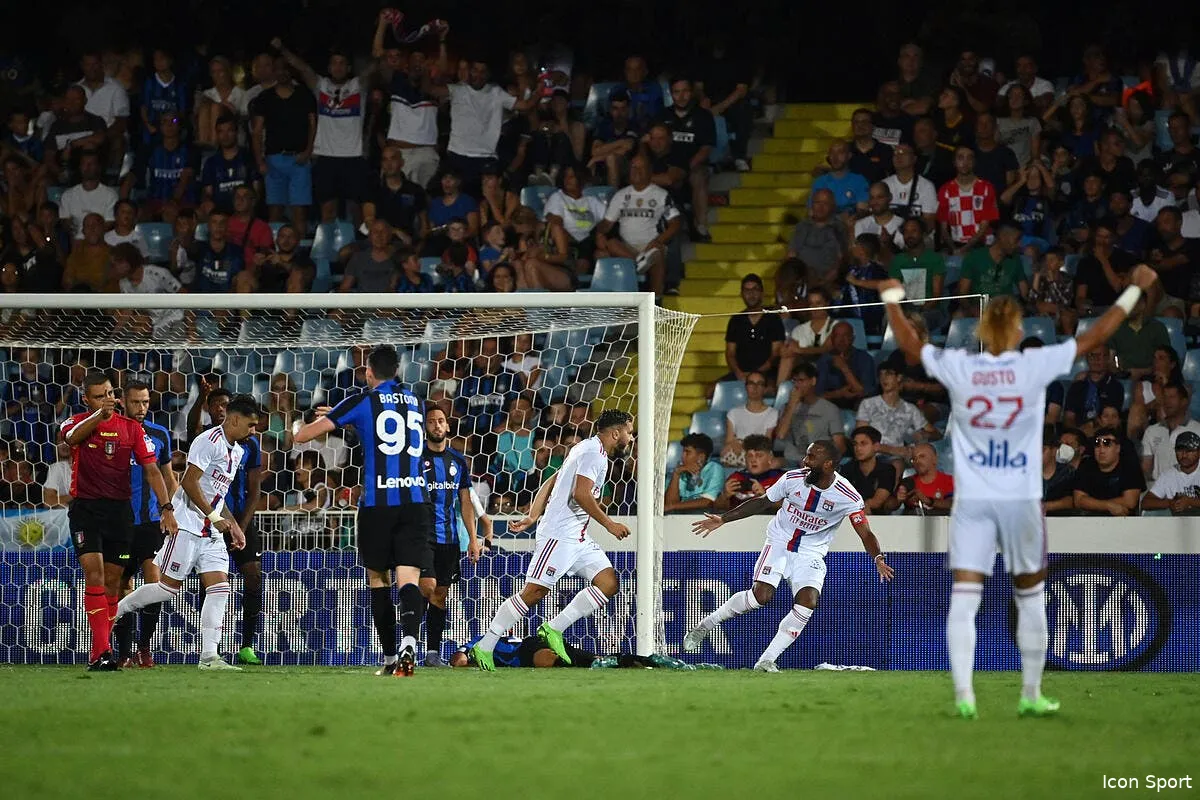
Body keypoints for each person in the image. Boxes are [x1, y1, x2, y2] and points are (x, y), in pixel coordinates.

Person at [878, 260, 1159, 718]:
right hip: (1021, 502)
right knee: (1030, 596)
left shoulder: (960, 366)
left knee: (965, 598)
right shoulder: (1034, 364)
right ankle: (1030, 693)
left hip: (973, 503)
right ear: (1019, 329)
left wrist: (892, 299)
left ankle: (965, 697)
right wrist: (1133, 289)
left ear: (984, 332)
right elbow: (1093, 338)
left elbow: (911, 345)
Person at [683, 441, 893, 671]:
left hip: (811, 552)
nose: (805, 461)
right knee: (760, 597)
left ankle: (766, 660)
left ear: (828, 464)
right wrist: (723, 519)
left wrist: (878, 557)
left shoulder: (847, 496)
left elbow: (865, 532)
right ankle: (707, 623)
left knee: (808, 601)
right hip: (780, 542)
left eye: (811, 458)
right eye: (806, 455)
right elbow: (762, 502)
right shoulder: (793, 478)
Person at [294, 345, 431, 677]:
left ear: (369, 373)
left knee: (378, 578)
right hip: (416, 501)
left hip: (378, 504)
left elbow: (302, 437)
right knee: (409, 577)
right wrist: (349, 423)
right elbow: (388, 434)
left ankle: (387, 659)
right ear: (397, 371)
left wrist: (330, 418)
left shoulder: (361, 401)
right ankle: (410, 642)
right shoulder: (416, 402)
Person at [471, 410, 635, 671]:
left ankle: (553, 628)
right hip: (559, 535)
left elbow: (554, 479)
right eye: (628, 431)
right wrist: (610, 524)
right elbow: (582, 494)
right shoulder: (593, 454)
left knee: (608, 582)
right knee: (534, 593)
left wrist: (533, 514)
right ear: (616, 433)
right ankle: (485, 645)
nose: (630, 437)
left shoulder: (587, 448)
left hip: (577, 537)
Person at [115, 395, 261, 670]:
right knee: (167, 589)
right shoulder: (208, 441)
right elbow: (189, 484)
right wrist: (215, 517)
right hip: (188, 526)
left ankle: (208, 657)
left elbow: (218, 495)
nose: (253, 432)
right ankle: (117, 611)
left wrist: (234, 526)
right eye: (251, 425)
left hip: (211, 530)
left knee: (219, 589)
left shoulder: (239, 451)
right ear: (235, 419)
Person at [61, 373, 177, 671]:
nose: (108, 399)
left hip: (120, 515)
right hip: (86, 511)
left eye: (110, 393)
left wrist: (167, 507)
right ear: (87, 400)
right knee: (95, 574)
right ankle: (100, 651)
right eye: (100, 396)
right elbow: (71, 440)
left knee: (114, 583)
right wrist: (100, 414)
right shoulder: (75, 423)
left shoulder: (131, 430)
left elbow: (153, 471)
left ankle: (107, 648)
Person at [112, 381, 176, 669]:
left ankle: (144, 647)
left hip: (151, 523)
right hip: (122, 524)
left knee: (154, 583)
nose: (141, 408)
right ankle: (123, 650)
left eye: (146, 402)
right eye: (136, 402)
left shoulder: (159, 433)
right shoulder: (112, 433)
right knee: (122, 585)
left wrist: (170, 510)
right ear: (123, 402)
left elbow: (168, 477)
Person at [418, 405, 482, 667]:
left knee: (440, 595)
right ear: (425, 428)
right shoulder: (414, 459)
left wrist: (474, 539)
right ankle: (409, 646)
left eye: (440, 420)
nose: (436, 425)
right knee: (425, 588)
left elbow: (465, 503)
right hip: (420, 538)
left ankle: (432, 654)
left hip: (449, 540)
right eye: (431, 421)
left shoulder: (457, 461)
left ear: (447, 426)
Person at [1072, 427, 1147, 516]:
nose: (1101, 450)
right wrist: (1108, 506)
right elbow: (1078, 501)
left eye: (1107, 443)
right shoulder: (1086, 465)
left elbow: (1130, 501)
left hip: (1123, 522)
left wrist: (1092, 503)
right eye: (1097, 444)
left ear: (1118, 448)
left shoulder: (1130, 466)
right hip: (1090, 520)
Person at [715, 435, 784, 512]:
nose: (753, 460)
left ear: (770, 458)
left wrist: (765, 497)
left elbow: (789, 508)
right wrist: (725, 496)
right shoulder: (736, 478)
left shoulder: (780, 479)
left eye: (759, 455)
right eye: (749, 456)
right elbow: (718, 508)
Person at [1141, 432, 1200, 515]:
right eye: (1180, 450)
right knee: (1151, 514)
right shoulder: (1168, 474)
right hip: (1176, 523)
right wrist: (1169, 503)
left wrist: (1190, 502)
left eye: (1189, 451)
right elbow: (1145, 503)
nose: (1184, 455)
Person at [664, 432, 724, 514]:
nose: (682, 456)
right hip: (680, 518)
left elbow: (707, 502)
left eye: (687, 452)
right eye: (683, 452)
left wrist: (673, 506)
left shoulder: (714, 469)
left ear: (701, 457)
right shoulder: (681, 470)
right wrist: (676, 474)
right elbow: (670, 502)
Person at [841, 426, 896, 512]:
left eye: (863, 443)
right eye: (855, 444)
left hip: (881, 521)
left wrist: (864, 506)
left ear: (876, 446)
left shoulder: (887, 470)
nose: (858, 448)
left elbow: (877, 501)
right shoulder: (846, 469)